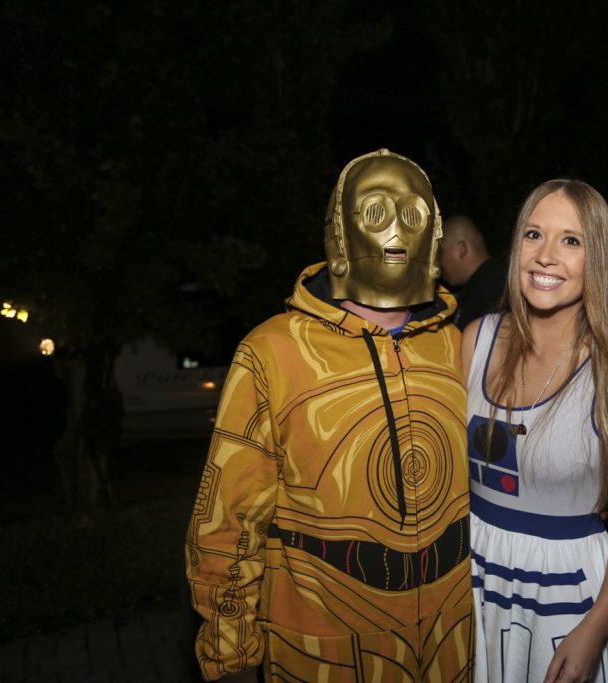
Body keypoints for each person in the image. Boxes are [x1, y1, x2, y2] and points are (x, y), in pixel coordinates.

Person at [185, 149, 474, 681]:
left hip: (452, 641)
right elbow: (229, 523)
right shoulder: (273, 352)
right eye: (375, 212)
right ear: (341, 232)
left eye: (412, 215)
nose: (396, 232)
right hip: (322, 653)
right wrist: (233, 656)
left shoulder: (455, 346)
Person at [461, 180, 608, 683]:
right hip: (473, 580)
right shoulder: (474, 340)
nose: (546, 256)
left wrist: (596, 627)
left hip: (567, 597)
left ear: (598, 258)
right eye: (534, 234)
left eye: (571, 241)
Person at [439, 215, 507, 328]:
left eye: (439, 254)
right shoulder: (476, 287)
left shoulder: (494, 289)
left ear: (462, 249)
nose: (436, 264)